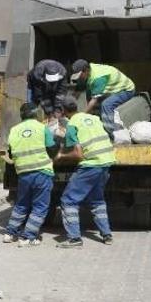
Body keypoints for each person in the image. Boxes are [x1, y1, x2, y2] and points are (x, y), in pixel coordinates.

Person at [55, 97, 115, 248]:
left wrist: (61, 156)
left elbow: (78, 155)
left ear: (63, 111)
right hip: (106, 162)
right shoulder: (93, 118)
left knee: (68, 199)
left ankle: (74, 239)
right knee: (97, 200)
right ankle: (107, 235)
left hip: (91, 165)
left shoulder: (72, 124)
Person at [3, 103, 57, 247]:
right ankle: (28, 237)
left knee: (21, 205)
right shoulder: (42, 128)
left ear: (22, 115)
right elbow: (52, 150)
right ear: (36, 114)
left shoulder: (14, 130)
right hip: (41, 172)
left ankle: (10, 233)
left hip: (23, 173)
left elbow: (11, 153)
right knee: (39, 207)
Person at [69, 59, 136, 139]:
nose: (79, 78)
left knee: (106, 105)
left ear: (86, 70)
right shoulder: (90, 69)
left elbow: (94, 100)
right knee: (89, 94)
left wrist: (81, 116)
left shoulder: (98, 78)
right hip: (111, 87)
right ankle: (95, 119)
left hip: (126, 90)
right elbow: (85, 91)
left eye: (80, 76)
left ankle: (114, 133)